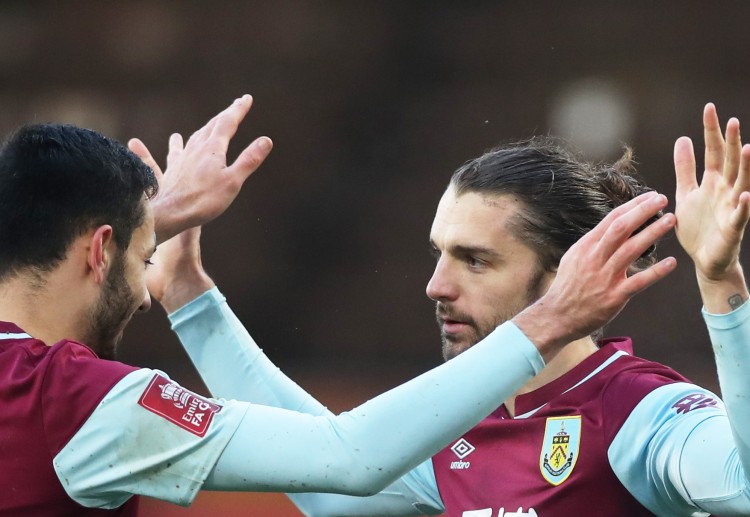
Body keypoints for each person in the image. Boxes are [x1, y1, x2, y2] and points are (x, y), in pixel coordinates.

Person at [0, 96, 673, 516]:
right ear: (98, 252)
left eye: (471, 257)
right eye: (140, 261)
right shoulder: (70, 399)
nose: (142, 292)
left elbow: (330, 490)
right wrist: (554, 314)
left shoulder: (639, 411)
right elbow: (344, 459)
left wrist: (165, 258)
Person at [155, 103, 750, 516]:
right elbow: (326, 482)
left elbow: (741, 484)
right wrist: (188, 295)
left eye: (476, 260)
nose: (436, 285)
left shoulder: (639, 411)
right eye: (439, 254)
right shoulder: (458, 419)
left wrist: (722, 284)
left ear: (568, 269)